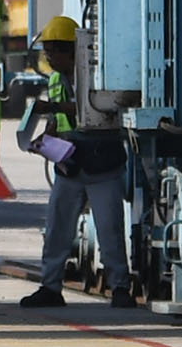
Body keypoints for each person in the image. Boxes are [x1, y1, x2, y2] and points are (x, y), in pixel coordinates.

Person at [16, 16, 135, 310]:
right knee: (57, 229)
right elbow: (59, 120)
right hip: (70, 165)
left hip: (102, 161)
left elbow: (92, 108)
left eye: (52, 52)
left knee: (110, 230)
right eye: (46, 53)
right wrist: (45, 140)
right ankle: (50, 287)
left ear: (70, 50)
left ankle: (120, 287)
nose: (48, 59)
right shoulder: (56, 80)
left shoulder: (97, 76)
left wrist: (53, 107)